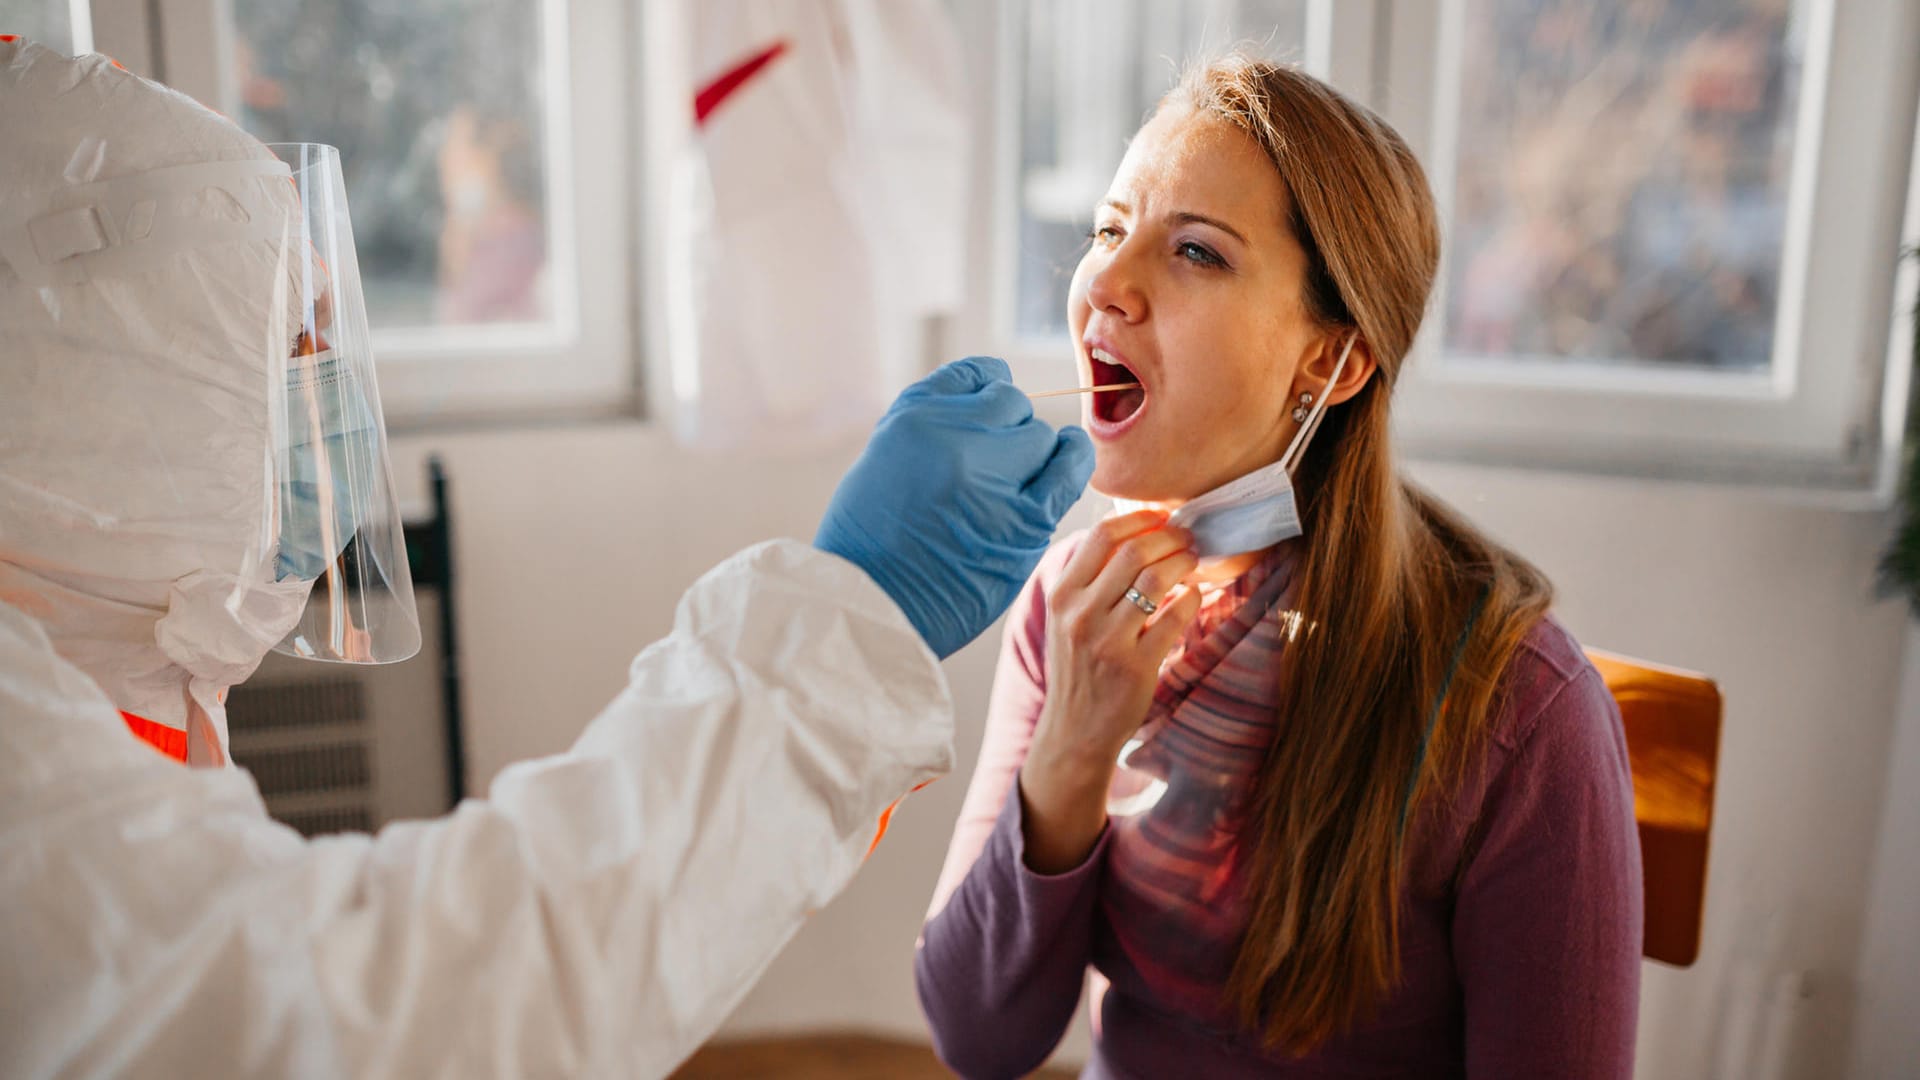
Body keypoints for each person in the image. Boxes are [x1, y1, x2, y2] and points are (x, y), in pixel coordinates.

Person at [0, 39, 1092, 1078]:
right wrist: (852, 624)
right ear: (99, 405)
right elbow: (393, 1020)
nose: (321, 405)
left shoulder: (100, 660)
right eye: (287, 352)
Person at [915, 58, 1643, 1078]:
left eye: (1198, 253)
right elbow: (978, 1040)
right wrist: (1073, 746)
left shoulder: (1520, 708)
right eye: (1108, 229)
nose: (1107, 285)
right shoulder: (1073, 608)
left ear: (1331, 363)